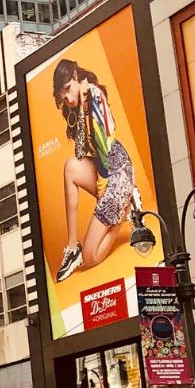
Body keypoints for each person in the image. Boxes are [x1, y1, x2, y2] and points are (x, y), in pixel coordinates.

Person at [51, 58, 142, 283]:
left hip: (117, 174)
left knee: (91, 257)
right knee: (71, 167)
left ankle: (127, 205)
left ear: (75, 76)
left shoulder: (94, 94)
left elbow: (106, 139)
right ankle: (72, 248)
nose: (69, 99)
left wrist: (88, 101)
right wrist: (80, 108)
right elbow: (81, 151)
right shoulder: (78, 106)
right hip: (102, 173)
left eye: (69, 91)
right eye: (64, 97)